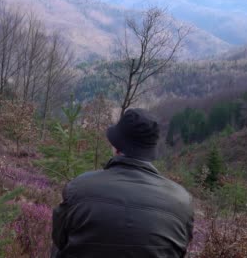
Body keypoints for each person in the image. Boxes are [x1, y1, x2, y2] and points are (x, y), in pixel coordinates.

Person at [51, 108, 194, 257]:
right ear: (151, 151)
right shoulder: (182, 202)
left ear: (117, 148)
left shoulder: (78, 187)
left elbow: (59, 239)